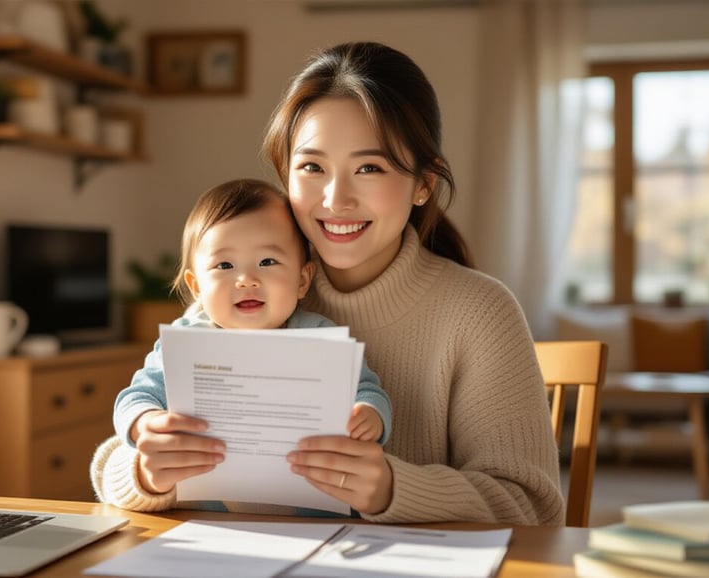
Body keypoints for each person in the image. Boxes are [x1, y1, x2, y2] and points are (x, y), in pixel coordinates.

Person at [92, 42, 564, 526]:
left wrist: (390, 489)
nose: (336, 199)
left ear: (424, 184)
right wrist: (149, 473)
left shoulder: (479, 311)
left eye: (369, 168)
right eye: (312, 167)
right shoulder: (248, 288)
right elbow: (115, 460)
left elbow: (533, 507)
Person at [100, 178, 392, 513]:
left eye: (267, 262)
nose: (246, 280)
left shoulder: (320, 337)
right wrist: (146, 422)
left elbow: (368, 389)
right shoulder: (186, 342)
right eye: (225, 266)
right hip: (210, 520)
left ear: (302, 280)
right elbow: (134, 398)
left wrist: (370, 414)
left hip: (314, 518)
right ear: (197, 287)